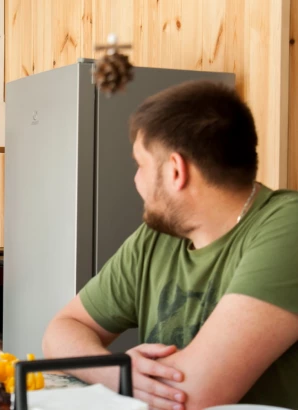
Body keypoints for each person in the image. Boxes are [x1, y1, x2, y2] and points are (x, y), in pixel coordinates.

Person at [42, 81, 298, 410]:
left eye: (140, 165)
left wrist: (106, 368)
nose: (136, 180)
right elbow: (62, 330)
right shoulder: (157, 237)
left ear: (176, 171)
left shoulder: (287, 227)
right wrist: (114, 371)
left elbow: (191, 393)